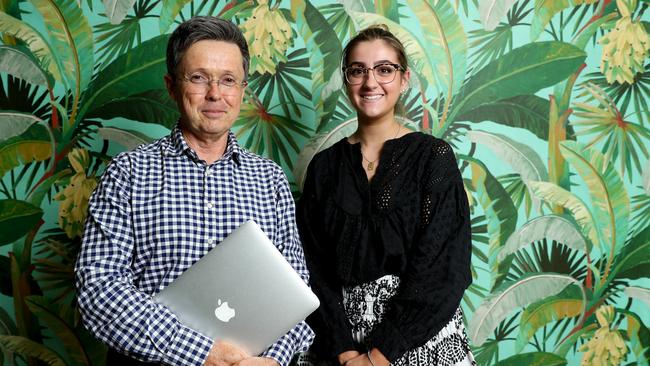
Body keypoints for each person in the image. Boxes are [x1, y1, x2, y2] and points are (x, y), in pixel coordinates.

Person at [75, 16, 314, 366]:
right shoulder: (128, 173)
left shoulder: (270, 180)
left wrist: (272, 360)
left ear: (242, 90)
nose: (215, 93)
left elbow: (295, 296)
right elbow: (98, 289)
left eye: (228, 80)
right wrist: (205, 354)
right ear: (172, 86)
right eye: (199, 78)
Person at [296, 25, 475, 366]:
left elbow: (445, 269)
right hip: (340, 343)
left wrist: (380, 355)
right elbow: (311, 268)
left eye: (384, 69)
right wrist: (346, 351)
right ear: (346, 78)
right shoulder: (324, 167)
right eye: (357, 70)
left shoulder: (432, 158)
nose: (370, 82)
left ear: (404, 78)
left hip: (419, 338)